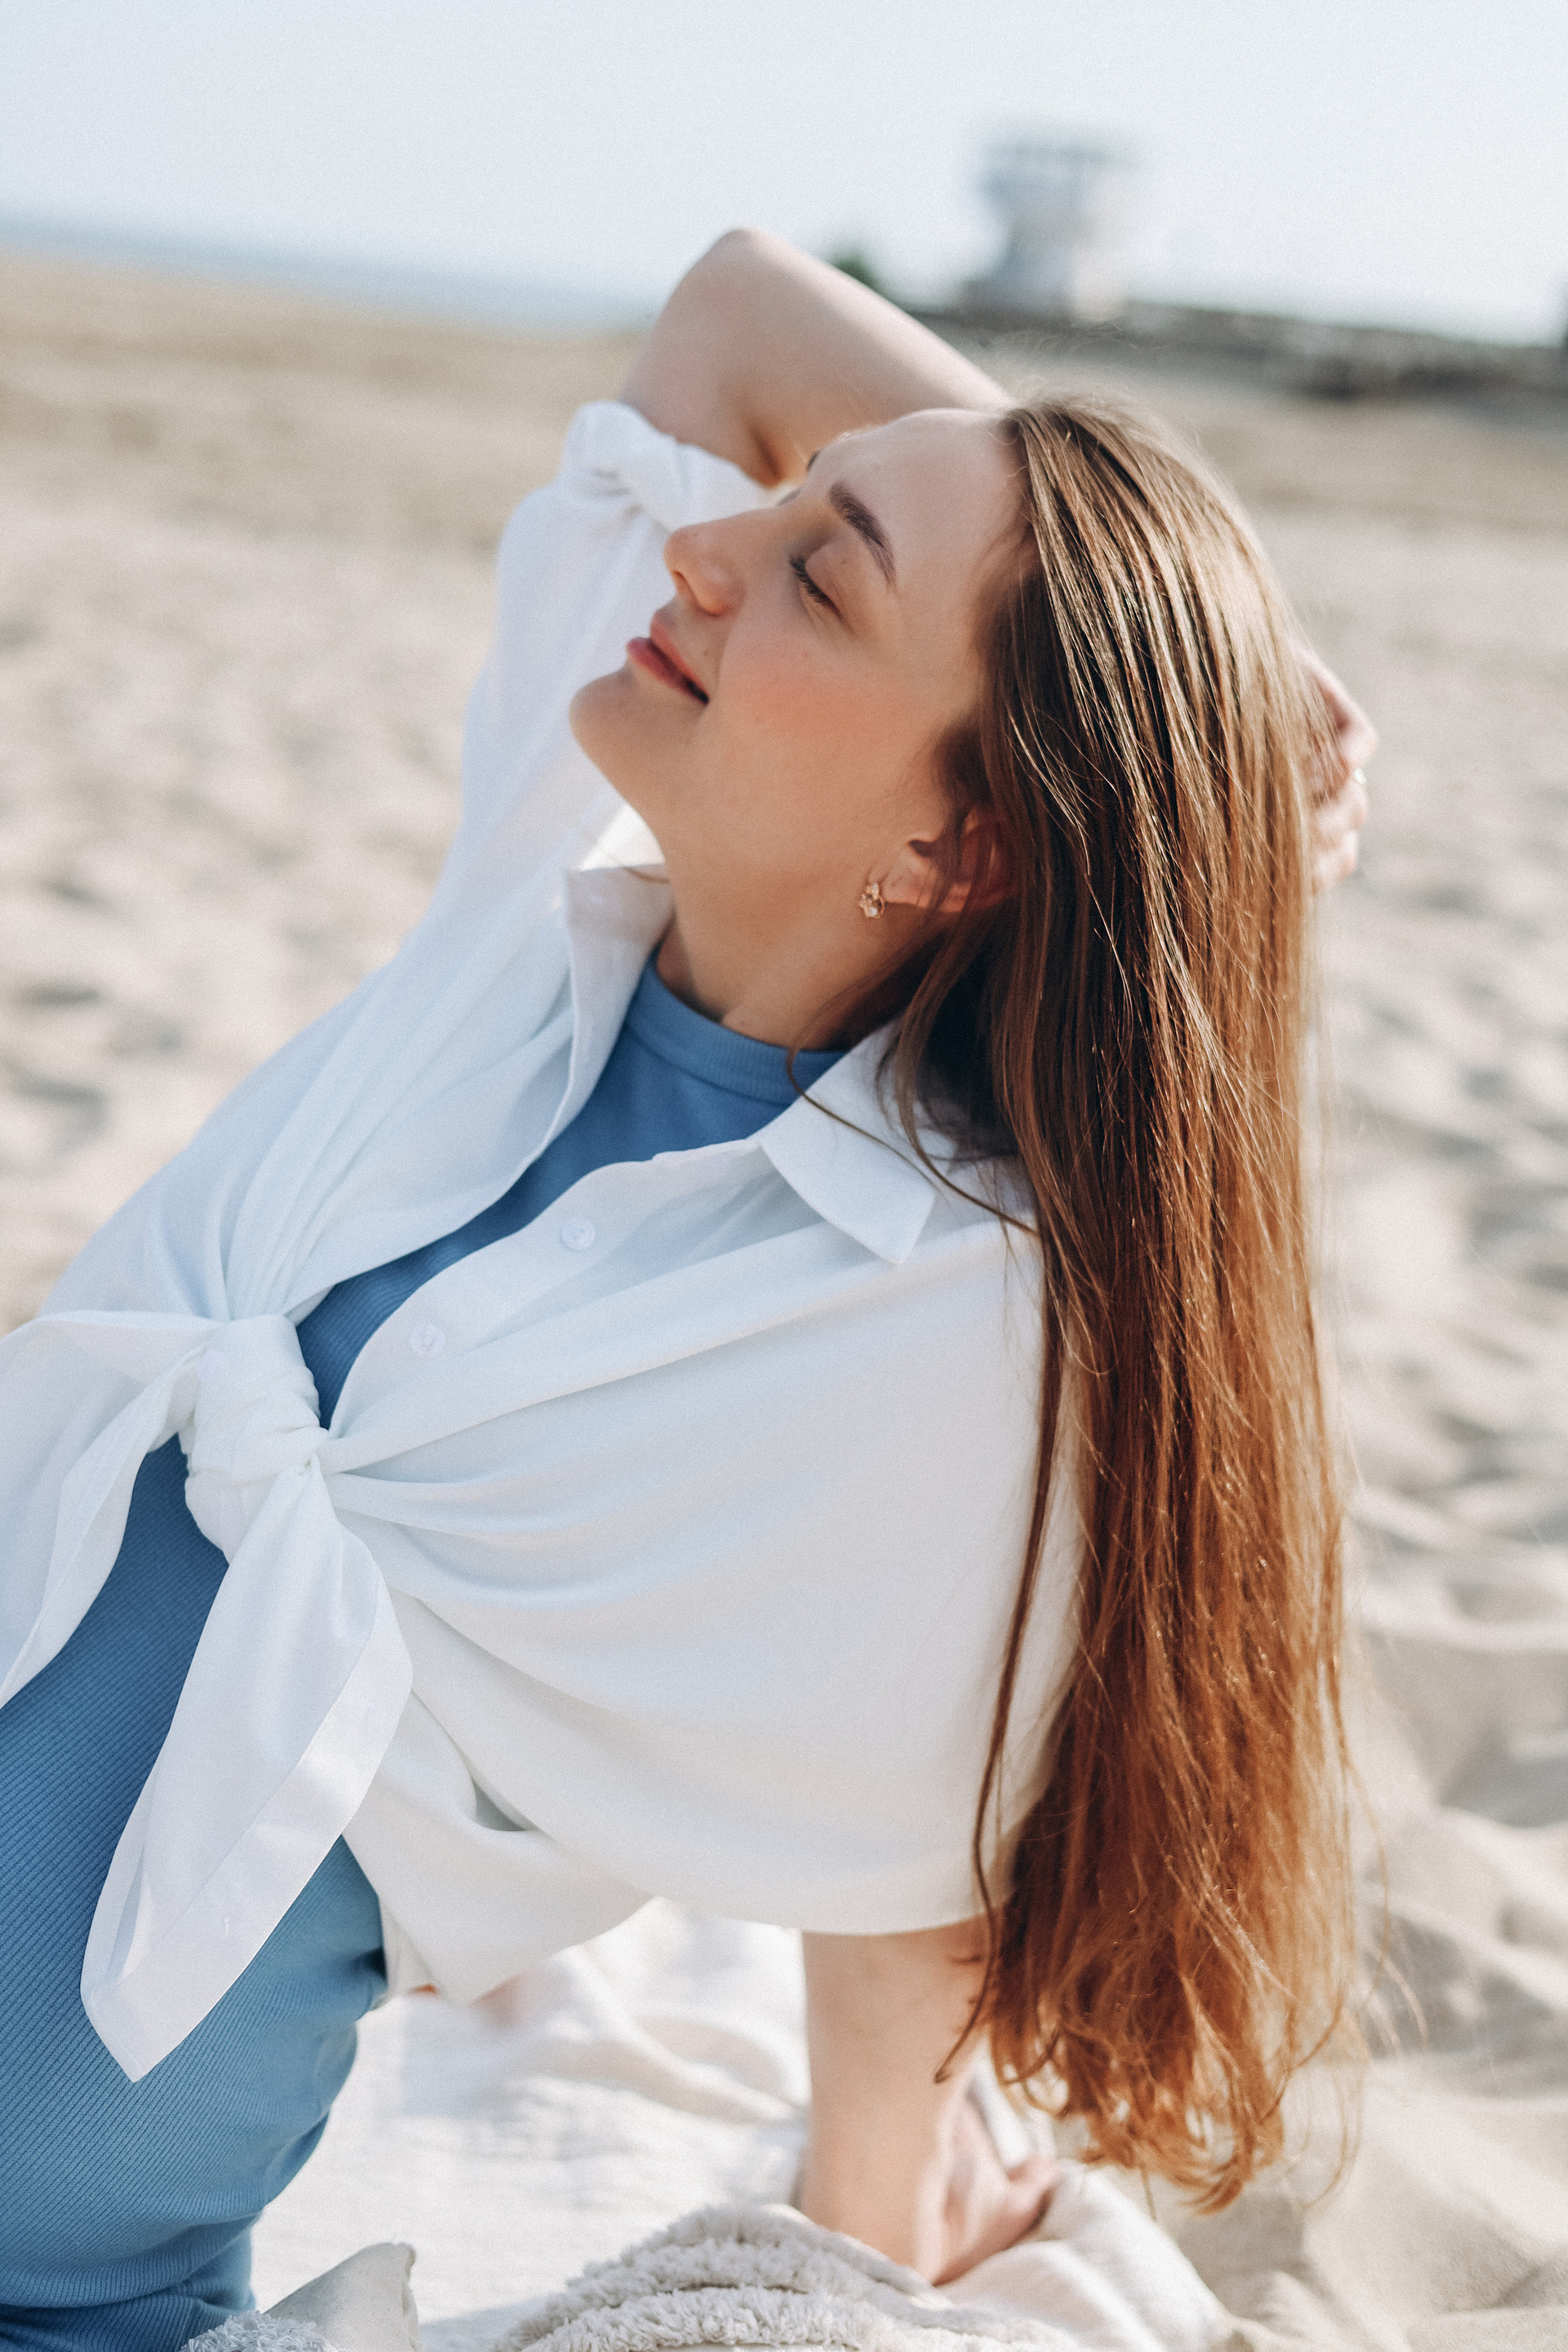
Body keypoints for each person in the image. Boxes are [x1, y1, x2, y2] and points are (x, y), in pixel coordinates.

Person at [0, 230, 1373, 2350]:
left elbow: (937, 1790)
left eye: (824, 574)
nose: (712, 548)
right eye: (794, 499)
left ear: (969, 850)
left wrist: (873, 2193)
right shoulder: (531, 885)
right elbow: (736, 312)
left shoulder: (928, 1304)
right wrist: (1237, 667)